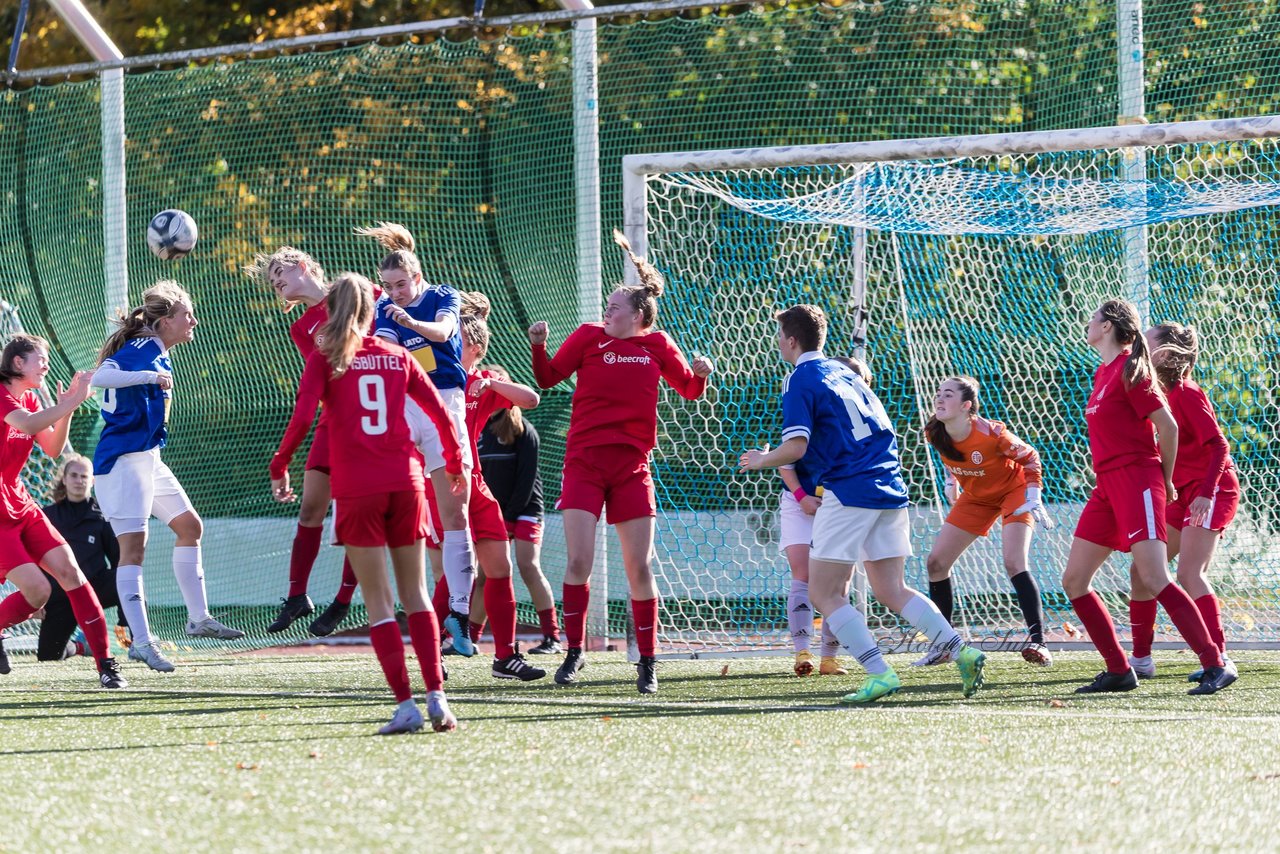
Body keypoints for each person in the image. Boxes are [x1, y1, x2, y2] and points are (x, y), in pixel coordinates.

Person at [739, 304, 986, 704]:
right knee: (892, 588)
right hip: (890, 484)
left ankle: (879, 672)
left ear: (789, 340)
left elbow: (797, 446)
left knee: (822, 590)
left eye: (779, 336)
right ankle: (962, 650)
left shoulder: (800, 378)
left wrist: (762, 459)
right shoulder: (846, 372)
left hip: (850, 490)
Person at [270, 272, 463, 734]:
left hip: (359, 489)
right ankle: (438, 697)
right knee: (415, 595)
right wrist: (455, 461)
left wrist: (281, 465)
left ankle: (406, 706)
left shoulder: (327, 358)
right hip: (406, 482)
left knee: (379, 603)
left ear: (333, 311)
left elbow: (301, 418)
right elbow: (438, 413)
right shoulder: (398, 356)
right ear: (371, 310)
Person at [529, 230, 713, 694]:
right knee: (578, 562)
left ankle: (647, 663)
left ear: (639, 317)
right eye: (606, 307)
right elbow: (549, 377)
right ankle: (573, 654)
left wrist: (703, 375)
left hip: (632, 467)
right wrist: (537, 345)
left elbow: (689, 389)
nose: (605, 313)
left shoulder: (658, 345)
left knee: (640, 568)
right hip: (584, 464)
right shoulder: (589, 338)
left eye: (614, 308)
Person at [1062, 299, 1233, 695]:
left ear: (1108, 327)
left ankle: (1215, 662)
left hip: (1138, 480)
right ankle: (1121, 669)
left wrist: (1166, 481)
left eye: (1093, 318)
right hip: (1107, 485)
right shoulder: (1102, 372)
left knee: (1156, 576)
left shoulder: (1129, 369)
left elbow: (1167, 427)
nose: (1088, 323)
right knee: (1074, 580)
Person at [92, 280, 244, 674]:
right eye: (185, 315)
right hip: (123, 462)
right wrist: (146, 378)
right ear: (164, 322)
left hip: (147, 458)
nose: (193, 320)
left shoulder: (158, 351)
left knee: (190, 526)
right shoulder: (143, 349)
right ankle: (141, 642)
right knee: (134, 551)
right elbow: (100, 378)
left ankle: (198, 619)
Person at [358, 222, 478, 656]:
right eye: (387, 286)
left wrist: (410, 321)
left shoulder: (442, 295)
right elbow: (387, 352)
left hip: (446, 405)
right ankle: (418, 614)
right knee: (407, 517)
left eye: (401, 284)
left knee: (455, 515)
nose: (394, 292)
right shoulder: (385, 310)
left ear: (417, 276)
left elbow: (445, 333)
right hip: (407, 407)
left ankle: (460, 616)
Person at [428, 298, 546, 681]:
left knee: (500, 568)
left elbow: (531, 399)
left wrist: (490, 381)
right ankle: (432, 654)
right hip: (441, 482)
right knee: (456, 571)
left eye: (457, 341)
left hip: (475, 484)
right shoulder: (434, 376)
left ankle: (505, 658)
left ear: (475, 349)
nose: (446, 346)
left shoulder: (480, 383)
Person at [245, 247, 361, 637]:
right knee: (310, 509)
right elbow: (321, 378)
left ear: (305, 265)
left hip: (368, 423)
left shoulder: (354, 293)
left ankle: (343, 601)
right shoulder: (301, 327)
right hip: (333, 421)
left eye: (280, 271)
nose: (275, 281)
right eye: (272, 279)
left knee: (355, 519)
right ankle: (297, 596)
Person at [0, 334, 126, 687]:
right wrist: (71, 400)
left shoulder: (29, 397)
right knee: (38, 592)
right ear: (17, 363)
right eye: (39, 357)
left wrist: (68, 405)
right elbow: (27, 425)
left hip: (19, 501)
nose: (46, 363)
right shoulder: (2, 395)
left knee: (72, 574)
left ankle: (106, 665)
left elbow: (54, 448)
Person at [1128, 322, 1240, 682]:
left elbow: (1220, 447)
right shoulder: (1154, 392)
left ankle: (1220, 660)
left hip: (1212, 489)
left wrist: (1206, 494)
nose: (1139, 346)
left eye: (1147, 341)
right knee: (1142, 573)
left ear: (1167, 351)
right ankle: (1141, 660)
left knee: (1189, 574)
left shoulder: (1188, 393)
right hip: (1182, 493)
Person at [918, 376, 1053, 667]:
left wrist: (1033, 494)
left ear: (967, 406)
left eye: (948, 395)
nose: (939, 399)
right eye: (938, 393)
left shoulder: (993, 434)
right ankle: (944, 644)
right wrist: (949, 481)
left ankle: (1039, 643)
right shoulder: (933, 430)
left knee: (1014, 562)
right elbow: (951, 457)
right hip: (976, 496)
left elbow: (1031, 458)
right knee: (936, 563)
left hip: (1014, 491)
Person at [779, 357, 872, 679]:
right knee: (803, 573)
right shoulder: (813, 407)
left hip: (839, 506)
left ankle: (829, 658)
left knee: (839, 583)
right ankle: (801, 652)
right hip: (799, 501)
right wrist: (803, 497)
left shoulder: (866, 428)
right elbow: (786, 459)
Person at [477, 383, 562, 655]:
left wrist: (510, 515)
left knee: (528, 566)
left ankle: (552, 638)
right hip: (494, 514)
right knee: (484, 575)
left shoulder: (524, 430)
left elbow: (527, 478)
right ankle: (469, 639)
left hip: (525, 511)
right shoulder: (477, 429)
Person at [37, 454, 128, 661]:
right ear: (65, 479)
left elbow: (119, 561)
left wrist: (125, 619)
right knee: (48, 657)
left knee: (128, 579)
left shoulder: (102, 516)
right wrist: (37, 600)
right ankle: (79, 647)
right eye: (74, 475)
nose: (79, 481)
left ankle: (138, 639)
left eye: (84, 476)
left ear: (92, 480)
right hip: (60, 595)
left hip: (94, 588)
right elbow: (35, 561)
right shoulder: (46, 516)